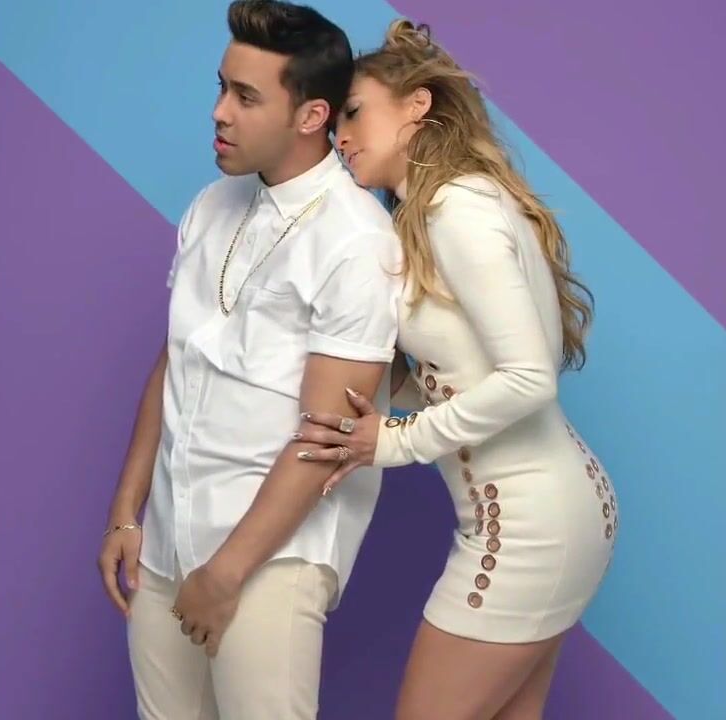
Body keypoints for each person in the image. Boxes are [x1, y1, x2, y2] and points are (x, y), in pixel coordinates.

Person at [295, 20, 618, 720]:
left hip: (527, 526)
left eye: (354, 112)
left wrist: (393, 440)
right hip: (552, 510)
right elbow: (466, 369)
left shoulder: (455, 210)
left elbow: (529, 378)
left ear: (417, 105)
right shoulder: (442, 208)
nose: (340, 136)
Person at [96, 2, 401, 718]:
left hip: (271, 558)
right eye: (221, 87)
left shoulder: (356, 242)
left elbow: (328, 436)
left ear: (311, 115)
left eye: (246, 96)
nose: (219, 112)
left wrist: (228, 572)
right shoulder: (211, 205)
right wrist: (125, 512)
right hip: (169, 537)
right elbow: (176, 361)